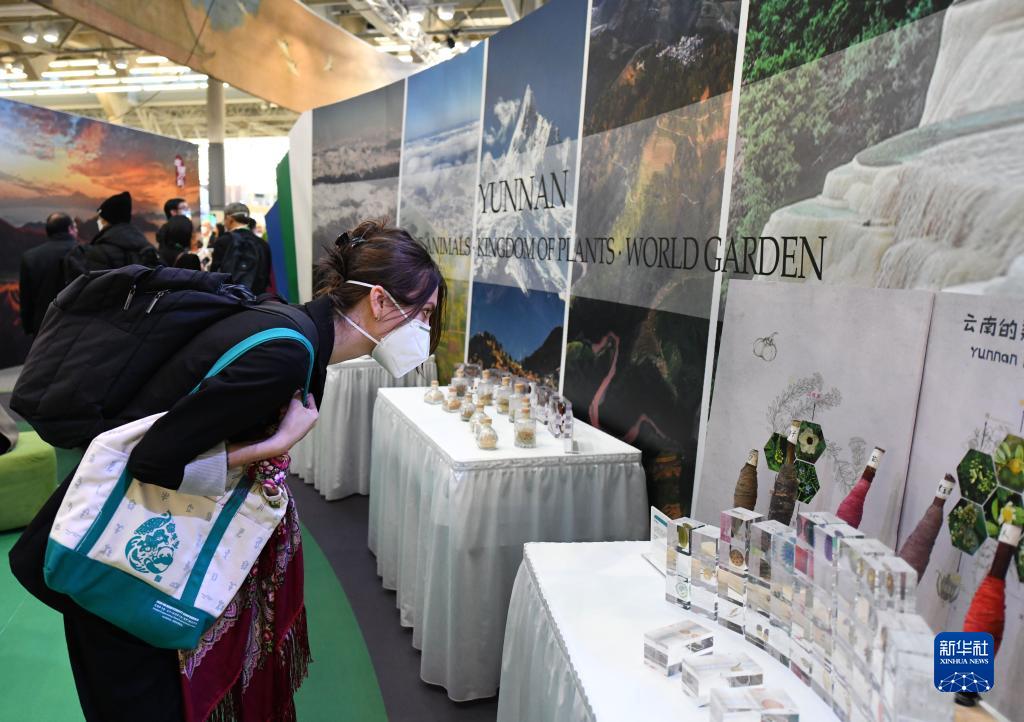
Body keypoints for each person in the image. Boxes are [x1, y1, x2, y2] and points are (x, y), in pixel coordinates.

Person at [10, 218, 445, 722]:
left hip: (124, 546)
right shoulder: (286, 354)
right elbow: (154, 461)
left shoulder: (288, 326)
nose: (425, 328)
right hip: (118, 558)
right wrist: (276, 444)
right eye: (423, 312)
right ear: (380, 301)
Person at [64, 191, 159, 283]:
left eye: (100, 218)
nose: (98, 221)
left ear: (107, 220)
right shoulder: (149, 250)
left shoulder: (96, 253)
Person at [18, 211, 77, 336]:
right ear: (70, 229)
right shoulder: (86, 252)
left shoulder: (30, 257)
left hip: (44, 327)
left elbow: (26, 299)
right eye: (75, 227)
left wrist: (29, 327)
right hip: (78, 328)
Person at [211, 202, 272, 294]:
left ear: (229, 218)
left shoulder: (223, 241)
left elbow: (214, 274)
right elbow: (266, 274)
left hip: (229, 298)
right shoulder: (262, 244)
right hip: (257, 298)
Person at [156, 198, 191, 266]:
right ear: (173, 212)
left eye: (188, 208)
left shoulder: (186, 225)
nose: (188, 210)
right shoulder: (167, 229)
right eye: (184, 208)